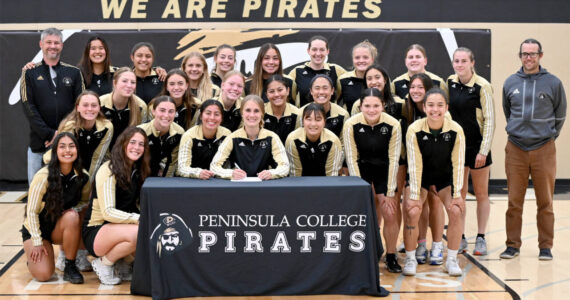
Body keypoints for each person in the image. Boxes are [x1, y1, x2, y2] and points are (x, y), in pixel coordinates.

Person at [501, 38, 566, 261]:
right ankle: (512, 246)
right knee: (513, 201)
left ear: (540, 55)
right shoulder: (510, 82)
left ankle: (545, 247)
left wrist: (547, 137)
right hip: (516, 148)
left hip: (544, 149)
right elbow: (507, 112)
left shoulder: (553, 83)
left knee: (545, 202)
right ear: (520, 56)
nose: (529, 57)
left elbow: (560, 115)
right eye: (525, 54)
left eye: (533, 53)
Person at [404, 88, 465, 277]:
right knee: (412, 211)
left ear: (446, 107)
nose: (435, 109)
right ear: (424, 107)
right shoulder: (414, 129)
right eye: (430, 105)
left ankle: (452, 260)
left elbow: (458, 164)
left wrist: (456, 195)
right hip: (420, 178)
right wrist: (414, 196)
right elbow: (414, 166)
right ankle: (411, 258)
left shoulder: (456, 130)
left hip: (444, 178)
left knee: (456, 210)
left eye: (440, 105)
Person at [343, 88, 402, 273]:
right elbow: (351, 158)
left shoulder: (393, 125)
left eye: (376, 105)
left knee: (390, 212)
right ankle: (364, 253)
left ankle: (391, 255)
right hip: (362, 168)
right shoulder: (351, 124)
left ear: (383, 106)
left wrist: (390, 191)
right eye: (367, 106)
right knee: (362, 213)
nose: (371, 110)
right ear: (360, 106)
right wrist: (359, 187)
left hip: (385, 168)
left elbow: (394, 159)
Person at [83, 126, 150, 285]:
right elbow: (107, 212)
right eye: (132, 142)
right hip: (97, 229)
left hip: (119, 227)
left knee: (149, 232)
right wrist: (139, 218)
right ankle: (104, 263)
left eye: (141, 144)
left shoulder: (138, 170)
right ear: (123, 143)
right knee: (139, 231)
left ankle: (124, 262)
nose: (137, 147)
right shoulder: (108, 169)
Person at [22, 132, 90, 284]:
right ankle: (34, 260)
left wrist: (72, 210)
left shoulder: (82, 176)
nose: (67, 150)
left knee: (73, 215)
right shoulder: (43, 176)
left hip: (59, 227)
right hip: (38, 231)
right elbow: (31, 212)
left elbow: (85, 202)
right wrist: (37, 242)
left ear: (77, 151)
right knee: (44, 275)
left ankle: (70, 266)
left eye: (72, 146)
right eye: (62, 147)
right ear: (55, 151)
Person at [21, 27, 84, 184]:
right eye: (48, 42)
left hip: (69, 142)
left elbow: (80, 107)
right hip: (39, 143)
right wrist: (49, 134)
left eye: (56, 42)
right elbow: (29, 107)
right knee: (37, 189)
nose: (53, 46)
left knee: (68, 189)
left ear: (62, 45)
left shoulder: (74, 73)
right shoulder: (30, 72)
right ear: (41, 44)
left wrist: (62, 134)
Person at [448, 47, 495, 255]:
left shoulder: (482, 86)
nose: (460, 65)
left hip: (477, 148)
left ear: (472, 63)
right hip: (457, 148)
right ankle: (461, 237)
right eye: (456, 61)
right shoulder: (450, 81)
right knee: (459, 194)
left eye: (463, 61)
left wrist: (483, 151)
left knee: (482, 193)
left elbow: (490, 121)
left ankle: (481, 237)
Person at [403, 73, 447, 265]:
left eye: (420, 87)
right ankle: (421, 243)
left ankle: (437, 245)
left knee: (435, 202)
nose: (416, 91)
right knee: (418, 206)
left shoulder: (440, 113)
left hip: (437, 165)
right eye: (413, 87)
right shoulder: (406, 109)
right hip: (414, 165)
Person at [210, 95, 290, 180]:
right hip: (239, 187)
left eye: (256, 111)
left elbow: (285, 166)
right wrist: (231, 173)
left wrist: (271, 173)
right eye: (248, 110)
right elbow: (214, 166)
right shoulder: (232, 138)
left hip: (264, 187)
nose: (252, 115)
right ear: (242, 113)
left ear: (262, 113)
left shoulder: (272, 137)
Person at [177, 100, 231, 179]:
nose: (212, 118)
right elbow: (182, 168)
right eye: (208, 113)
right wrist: (198, 173)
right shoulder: (189, 135)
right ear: (201, 116)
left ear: (222, 118)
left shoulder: (227, 135)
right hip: (192, 181)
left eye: (217, 114)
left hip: (218, 180)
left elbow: (229, 164)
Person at [285, 103, 343, 176]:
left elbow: (332, 175)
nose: (313, 124)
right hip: (300, 183)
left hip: (326, 183)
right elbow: (295, 174)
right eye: (309, 119)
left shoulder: (333, 141)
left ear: (324, 122)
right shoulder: (292, 139)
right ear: (303, 121)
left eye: (318, 120)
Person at [289, 35, 345, 107]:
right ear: (308, 51)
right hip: (305, 117)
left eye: (322, 50)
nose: (318, 53)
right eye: (314, 49)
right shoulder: (297, 72)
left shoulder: (336, 70)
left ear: (327, 51)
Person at [100, 67, 148, 148]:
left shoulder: (141, 106)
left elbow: (141, 136)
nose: (129, 85)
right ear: (114, 83)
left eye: (133, 82)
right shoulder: (100, 103)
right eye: (124, 81)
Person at [138, 96, 184, 177]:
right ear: (153, 111)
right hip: (141, 176)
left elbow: (172, 163)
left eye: (171, 111)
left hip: (163, 178)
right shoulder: (140, 131)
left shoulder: (179, 132)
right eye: (162, 110)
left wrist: (166, 183)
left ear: (175, 113)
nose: (166, 115)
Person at [300, 75, 349, 140]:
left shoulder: (343, 114)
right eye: (317, 88)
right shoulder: (301, 113)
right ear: (311, 91)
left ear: (332, 91)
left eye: (325, 88)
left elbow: (344, 142)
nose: (321, 92)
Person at [338, 40, 377, 113]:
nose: (361, 60)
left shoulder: (381, 79)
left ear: (372, 59)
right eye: (357, 58)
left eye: (365, 57)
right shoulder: (343, 79)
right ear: (353, 59)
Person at [263, 75, 301, 143]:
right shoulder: (260, 112)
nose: (276, 94)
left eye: (280, 90)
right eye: (271, 91)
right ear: (267, 95)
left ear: (288, 91)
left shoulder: (297, 114)